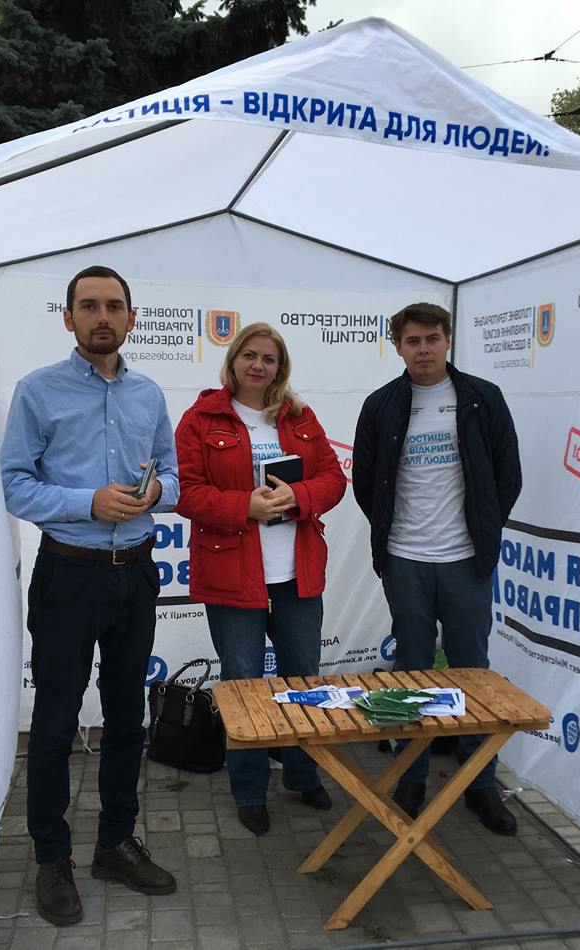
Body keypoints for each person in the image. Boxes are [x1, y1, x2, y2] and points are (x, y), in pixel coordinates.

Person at [0, 265, 180, 926]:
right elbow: (14, 484)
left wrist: (156, 491)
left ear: (130, 318)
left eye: (113, 306)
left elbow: (174, 475)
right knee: (54, 721)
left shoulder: (148, 394)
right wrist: (87, 502)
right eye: (88, 305)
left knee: (128, 717)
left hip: (135, 572)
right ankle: (52, 858)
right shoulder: (37, 391)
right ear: (68, 317)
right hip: (69, 575)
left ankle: (114, 844)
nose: (102, 316)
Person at [352, 302, 522, 834]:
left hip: (466, 561)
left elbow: (507, 475)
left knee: (473, 672)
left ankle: (481, 783)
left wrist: (483, 529)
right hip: (405, 560)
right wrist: (397, 536)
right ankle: (411, 777)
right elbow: (365, 484)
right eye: (412, 341)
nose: (423, 349)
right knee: (411, 670)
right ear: (397, 346)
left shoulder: (482, 398)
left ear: (448, 340)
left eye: (432, 338)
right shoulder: (380, 405)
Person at [174, 322, 347, 835]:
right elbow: (185, 491)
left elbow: (333, 479)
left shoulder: (299, 416)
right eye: (249, 355)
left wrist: (300, 496)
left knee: (303, 680)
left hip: (296, 573)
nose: (258, 365)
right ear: (233, 362)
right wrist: (242, 506)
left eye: (268, 359)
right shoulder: (201, 419)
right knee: (243, 684)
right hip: (233, 573)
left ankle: (302, 774)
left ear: (280, 368)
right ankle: (248, 789)